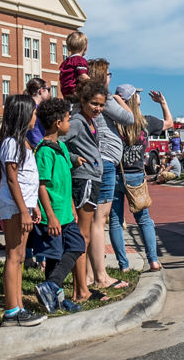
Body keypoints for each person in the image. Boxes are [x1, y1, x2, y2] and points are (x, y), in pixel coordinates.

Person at [31, 98, 88, 314]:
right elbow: (41, 186)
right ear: (57, 123)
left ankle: (51, 287)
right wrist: (51, 216)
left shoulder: (62, 147)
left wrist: (72, 207)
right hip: (52, 217)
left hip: (66, 214)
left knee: (77, 245)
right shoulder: (44, 151)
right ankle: (55, 297)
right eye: (67, 119)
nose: (69, 123)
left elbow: (65, 182)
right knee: (54, 258)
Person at [0, 94, 46, 327]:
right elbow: (13, 179)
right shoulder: (11, 143)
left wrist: (33, 205)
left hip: (24, 205)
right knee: (14, 256)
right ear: (23, 115)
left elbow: (27, 180)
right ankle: (11, 310)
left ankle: (19, 307)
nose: (36, 116)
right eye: (34, 112)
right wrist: (23, 211)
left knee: (21, 257)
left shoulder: (24, 142)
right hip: (14, 207)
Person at [112, 88, 173, 272]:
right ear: (133, 100)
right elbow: (169, 123)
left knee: (115, 221)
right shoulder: (146, 122)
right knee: (144, 220)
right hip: (136, 175)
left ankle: (124, 266)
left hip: (116, 174)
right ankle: (153, 261)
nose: (140, 95)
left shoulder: (113, 123)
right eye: (136, 93)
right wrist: (163, 103)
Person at [87, 60, 133, 292]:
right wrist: (120, 101)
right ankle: (100, 276)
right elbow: (130, 118)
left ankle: (88, 273)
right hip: (104, 161)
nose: (110, 77)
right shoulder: (102, 99)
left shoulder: (84, 99)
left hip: (99, 161)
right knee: (98, 220)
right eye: (108, 74)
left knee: (90, 219)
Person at [65, 80, 108, 300]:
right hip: (84, 180)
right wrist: (74, 158)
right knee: (81, 236)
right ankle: (81, 289)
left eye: (101, 104)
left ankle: (82, 287)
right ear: (83, 101)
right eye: (94, 103)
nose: (98, 108)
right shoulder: (77, 122)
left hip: (92, 179)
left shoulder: (91, 122)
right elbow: (56, 141)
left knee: (86, 235)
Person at [58, 30, 91, 102]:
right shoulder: (80, 60)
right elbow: (82, 76)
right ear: (85, 48)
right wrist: (95, 85)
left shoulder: (65, 62)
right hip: (76, 93)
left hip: (66, 94)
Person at [24, 77, 52, 147]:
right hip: (38, 148)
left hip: (28, 148)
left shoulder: (25, 107)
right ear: (41, 90)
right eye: (48, 89)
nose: (49, 93)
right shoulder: (37, 110)